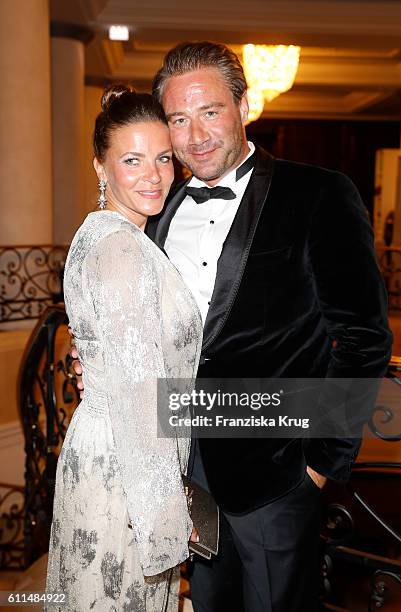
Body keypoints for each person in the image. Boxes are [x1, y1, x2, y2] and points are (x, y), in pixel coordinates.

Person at [73, 43, 392, 611]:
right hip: (180, 468)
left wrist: (322, 463)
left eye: (210, 111)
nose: (194, 136)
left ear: (245, 105)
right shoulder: (156, 205)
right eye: (178, 118)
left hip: (278, 473)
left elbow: (364, 338)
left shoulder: (318, 194)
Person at [46, 85, 202, 611]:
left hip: (113, 456)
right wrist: (165, 523)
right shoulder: (119, 247)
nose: (153, 176)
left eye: (162, 158)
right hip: (126, 475)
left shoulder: (108, 234)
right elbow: (141, 399)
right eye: (132, 160)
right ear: (100, 167)